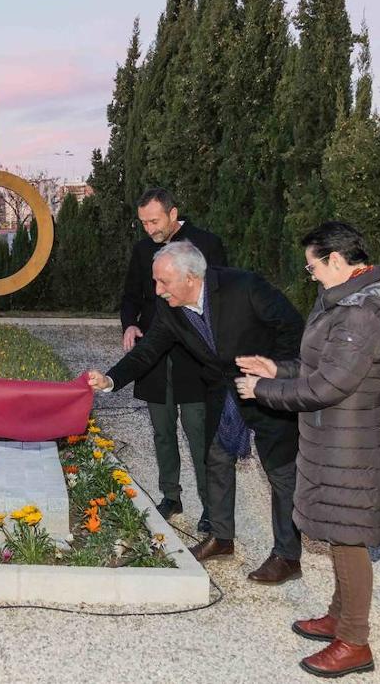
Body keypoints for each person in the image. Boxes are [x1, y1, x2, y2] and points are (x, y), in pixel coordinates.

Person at [234, 222, 380, 678]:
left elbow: (327, 385)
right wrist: (276, 367)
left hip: (349, 438)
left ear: (336, 260)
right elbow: (322, 365)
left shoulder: (362, 313)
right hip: (338, 434)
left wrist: (263, 390)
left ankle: (355, 641)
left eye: (312, 265)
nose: (310, 274)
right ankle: (340, 616)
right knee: (340, 528)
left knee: (350, 535)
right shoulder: (349, 300)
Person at [87, 240, 305, 584]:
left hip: (268, 390)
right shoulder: (172, 309)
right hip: (223, 392)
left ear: (190, 277)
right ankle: (221, 537)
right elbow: (149, 350)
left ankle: (287, 556)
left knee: (280, 472)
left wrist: (276, 370)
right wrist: (111, 379)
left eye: (164, 282)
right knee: (215, 460)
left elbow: (293, 326)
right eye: (155, 282)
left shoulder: (244, 287)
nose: (157, 291)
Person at [120, 188, 227, 528]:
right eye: (143, 223)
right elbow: (130, 296)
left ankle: (211, 507)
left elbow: (221, 298)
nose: (149, 229)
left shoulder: (207, 244)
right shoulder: (142, 250)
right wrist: (130, 326)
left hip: (193, 358)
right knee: (162, 431)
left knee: (199, 432)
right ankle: (171, 496)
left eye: (154, 221)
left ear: (172, 213)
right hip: (153, 355)